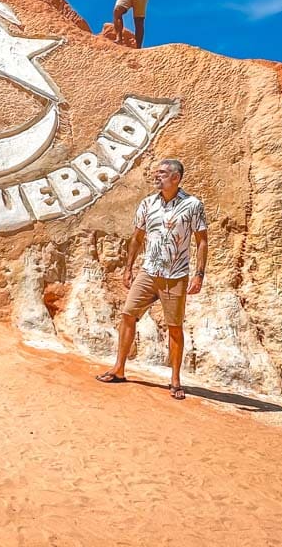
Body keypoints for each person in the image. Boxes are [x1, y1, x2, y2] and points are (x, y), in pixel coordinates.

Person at [96, 158, 208, 400]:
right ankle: (119, 369)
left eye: (163, 173)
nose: (158, 177)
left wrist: (199, 274)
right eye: (157, 173)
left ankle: (176, 381)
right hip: (148, 272)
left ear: (176, 178)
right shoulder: (148, 203)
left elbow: (201, 241)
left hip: (175, 275)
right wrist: (128, 268)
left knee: (174, 328)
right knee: (128, 315)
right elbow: (137, 238)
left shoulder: (192, 205)